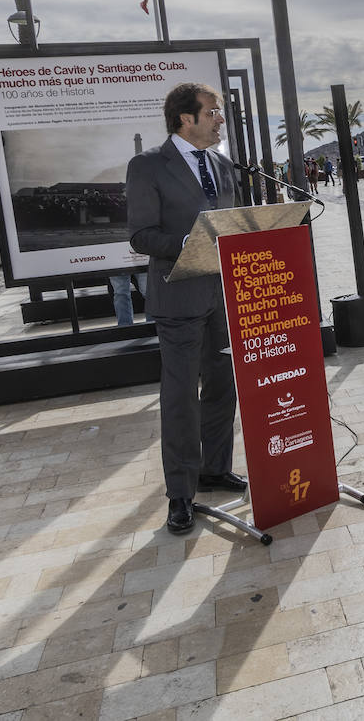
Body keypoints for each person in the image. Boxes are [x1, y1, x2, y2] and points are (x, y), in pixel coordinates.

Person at [126, 82, 245, 536]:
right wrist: (186, 244)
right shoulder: (148, 166)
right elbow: (140, 235)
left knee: (222, 385)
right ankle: (181, 492)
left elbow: (231, 220)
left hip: (221, 295)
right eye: (213, 112)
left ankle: (214, 468)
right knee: (180, 397)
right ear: (186, 118)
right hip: (177, 298)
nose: (219, 120)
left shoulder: (221, 163)